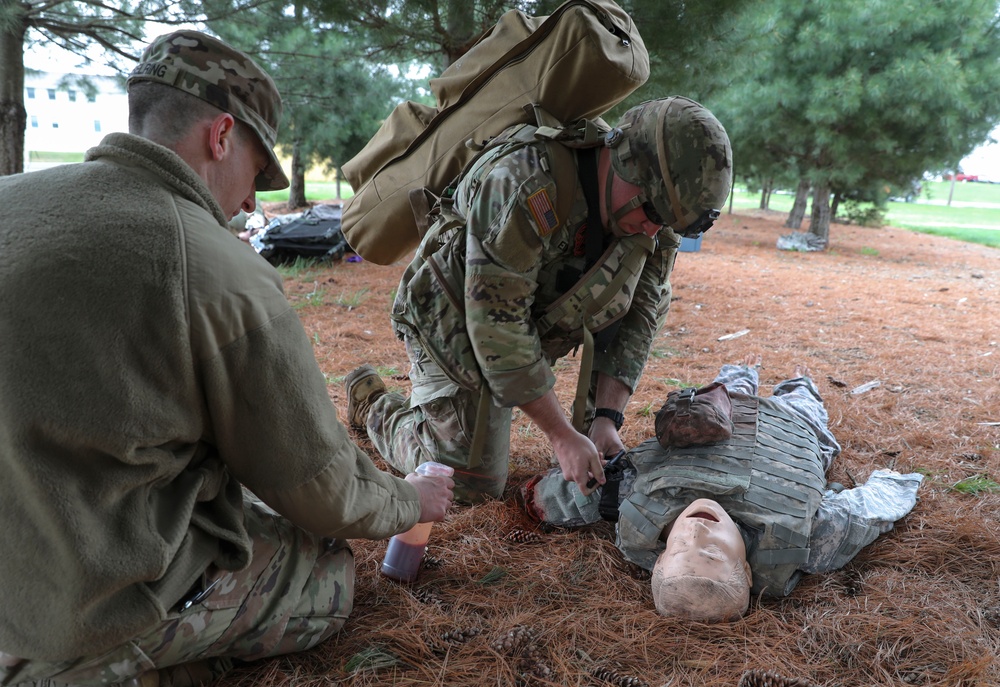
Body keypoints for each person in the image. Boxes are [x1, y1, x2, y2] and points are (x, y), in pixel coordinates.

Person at [0, 30, 453, 687]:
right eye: (257, 173)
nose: (249, 202)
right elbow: (317, 484)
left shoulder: (11, 200)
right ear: (220, 136)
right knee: (325, 575)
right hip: (76, 610)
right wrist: (408, 501)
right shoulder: (214, 266)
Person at [345, 96, 733, 503]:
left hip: (530, 319)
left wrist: (605, 418)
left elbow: (642, 314)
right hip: (451, 316)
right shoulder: (525, 182)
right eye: (653, 212)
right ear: (626, 165)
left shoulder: (658, 215)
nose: (654, 231)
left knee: (596, 452)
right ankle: (375, 405)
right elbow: (496, 325)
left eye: (668, 222)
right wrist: (561, 434)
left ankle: (509, 408)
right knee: (468, 482)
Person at [521, 355, 923, 622]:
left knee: (733, 380)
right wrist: (896, 482)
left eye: (679, 550)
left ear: (659, 558)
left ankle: (744, 367)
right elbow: (868, 511)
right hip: (795, 427)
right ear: (746, 569)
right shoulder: (809, 541)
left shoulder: (636, 503)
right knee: (802, 393)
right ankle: (800, 378)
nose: (695, 534)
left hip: (722, 410)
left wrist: (538, 498)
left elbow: (576, 494)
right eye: (711, 552)